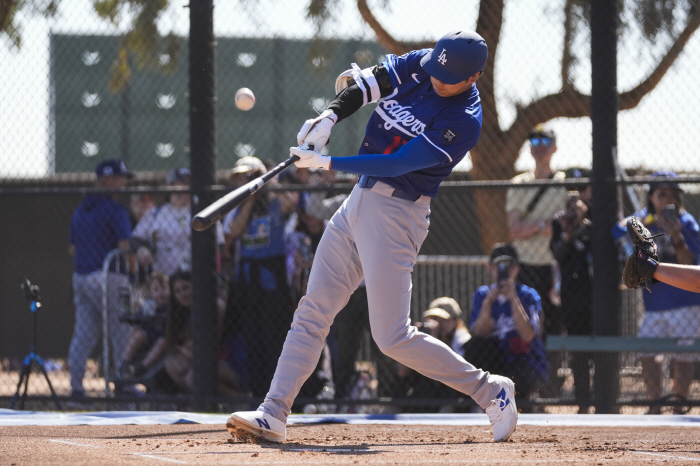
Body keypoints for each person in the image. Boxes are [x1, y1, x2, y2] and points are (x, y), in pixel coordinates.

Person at [227, 30, 517, 443]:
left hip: (399, 213)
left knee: (392, 337)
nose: (436, 78)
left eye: (449, 77)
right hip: (358, 201)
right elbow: (367, 85)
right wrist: (328, 117)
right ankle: (273, 413)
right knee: (313, 309)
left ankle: (492, 390)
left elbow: (399, 164)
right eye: (436, 67)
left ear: (472, 79)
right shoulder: (425, 63)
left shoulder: (464, 121)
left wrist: (326, 162)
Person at [613, 171, 700, 414]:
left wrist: (676, 236)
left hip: (686, 302)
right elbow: (615, 231)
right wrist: (640, 221)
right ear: (651, 196)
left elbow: (691, 263)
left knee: (684, 357)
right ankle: (655, 403)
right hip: (654, 304)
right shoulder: (644, 219)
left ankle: (679, 403)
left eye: (673, 193)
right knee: (646, 351)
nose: (668, 199)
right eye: (662, 194)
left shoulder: (687, 223)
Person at [222, 156, 298, 398]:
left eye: (247, 177)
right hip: (248, 280)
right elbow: (233, 232)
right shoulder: (239, 205)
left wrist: (267, 182)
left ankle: (279, 395)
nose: (242, 181)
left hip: (271, 279)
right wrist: (249, 197)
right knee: (252, 337)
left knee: (272, 337)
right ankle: (258, 394)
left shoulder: (275, 201)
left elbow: (291, 204)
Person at [506, 125, 567, 395]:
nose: (540, 145)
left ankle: (552, 387)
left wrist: (533, 226)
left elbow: (566, 227)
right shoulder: (519, 183)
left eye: (546, 140)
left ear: (554, 147)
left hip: (556, 267)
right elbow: (514, 229)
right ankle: (530, 386)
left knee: (556, 327)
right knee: (529, 328)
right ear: (529, 148)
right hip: (527, 267)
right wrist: (547, 224)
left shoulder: (566, 182)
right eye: (534, 140)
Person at [67, 159, 133, 398]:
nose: (123, 182)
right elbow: (125, 246)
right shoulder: (116, 209)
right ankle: (123, 386)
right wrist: (133, 277)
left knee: (84, 334)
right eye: (119, 178)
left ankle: (76, 389)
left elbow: (72, 249)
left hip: (82, 277)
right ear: (107, 181)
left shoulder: (81, 208)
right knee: (122, 331)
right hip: (109, 277)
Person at [463, 243, 549, 403]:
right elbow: (480, 334)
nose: (504, 271)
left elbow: (528, 336)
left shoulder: (528, 295)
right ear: (490, 268)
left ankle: (525, 403)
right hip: (497, 358)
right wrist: (488, 303)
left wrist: (513, 299)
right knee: (474, 347)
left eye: (509, 266)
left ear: (517, 269)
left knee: (521, 370)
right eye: (499, 266)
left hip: (523, 358)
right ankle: (475, 404)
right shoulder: (483, 294)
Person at [550, 184, 593, 413]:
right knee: (578, 351)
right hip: (572, 297)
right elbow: (557, 254)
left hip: (595, 297)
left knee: (598, 348)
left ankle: (604, 398)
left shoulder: (593, 226)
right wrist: (567, 233)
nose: (574, 209)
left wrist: (584, 223)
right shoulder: (560, 225)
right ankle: (583, 401)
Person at [395, 297, 472, 412]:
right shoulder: (425, 336)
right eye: (434, 318)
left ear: (455, 320)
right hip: (428, 392)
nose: (438, 324)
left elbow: (452, 371)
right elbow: (402, 372)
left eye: (443, 319)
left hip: (451, 394)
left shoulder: (462, 339)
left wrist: (434, 340)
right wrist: (411, 342)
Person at [118, 271, 170, 374]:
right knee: (139, 334)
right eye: (156, 290)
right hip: (149, 337)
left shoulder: (171, 306)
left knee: (162, 342)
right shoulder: (148, 306)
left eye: (164, 288)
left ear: (170, 289)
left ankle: (142, 367)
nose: (161, 292)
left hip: (164, 339)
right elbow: (137, 321)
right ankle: (124, 362)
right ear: (150, 293)